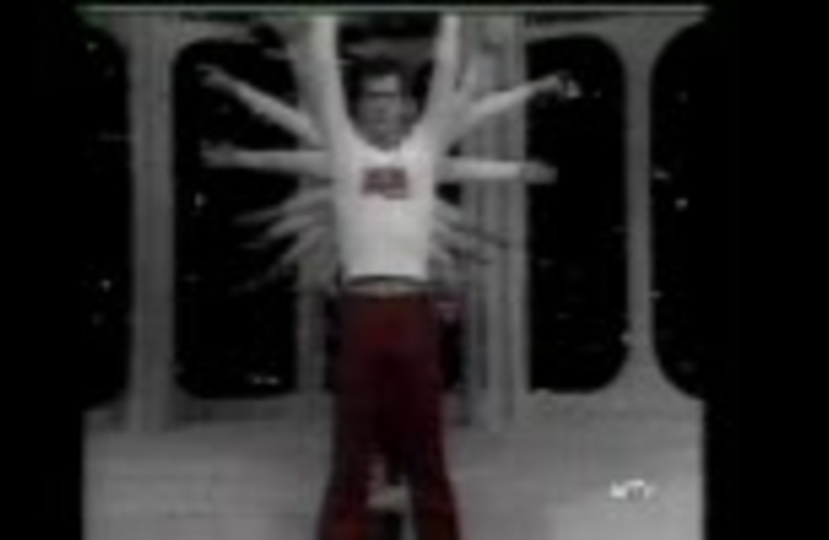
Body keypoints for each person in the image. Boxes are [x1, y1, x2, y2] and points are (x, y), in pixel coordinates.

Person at [197, 15, 576, 539]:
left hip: (414, 311)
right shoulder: (343, 152)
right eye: (372, 97)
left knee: (427, 449)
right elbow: (321, 78)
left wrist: (452, 19)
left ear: (405, 106)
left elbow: (450, 81)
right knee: (352, 449)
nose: (381, 106)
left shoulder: (424, 150)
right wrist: (324, 20)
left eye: (390, 97)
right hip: (360, 313)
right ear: (358, 108)